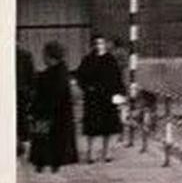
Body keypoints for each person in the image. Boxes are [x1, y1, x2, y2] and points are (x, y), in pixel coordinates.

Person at [29, 41, 79, 173]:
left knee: (43, 140)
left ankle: (43, 164)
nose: (43, 58)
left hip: (48, 115)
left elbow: (48, 96)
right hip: (56, 116)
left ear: (49, 56)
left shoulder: (52, 75)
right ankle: (46, 164)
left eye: (44, 55)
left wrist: (35, 110)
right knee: (47, 141)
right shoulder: (61, 73)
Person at [75, 34, 125, 163]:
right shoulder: (87, 60)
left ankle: (107, 152)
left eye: (101, 43)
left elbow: (117, 79)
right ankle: (91, 152)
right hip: (93, 98)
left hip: (108, 97)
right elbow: (80, 77)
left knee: (109, 126)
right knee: (92, 127)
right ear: (92, 45)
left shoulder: (110, 60)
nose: (99, 46)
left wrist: (119, 95)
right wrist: (87, 88)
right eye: (96, 43)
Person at [17, 46, 35, 157]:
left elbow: (31, 77)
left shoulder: (25, 55)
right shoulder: (25, 55)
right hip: (20, 93)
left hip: (21, 93)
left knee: (22, 120)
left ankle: (22, 146)